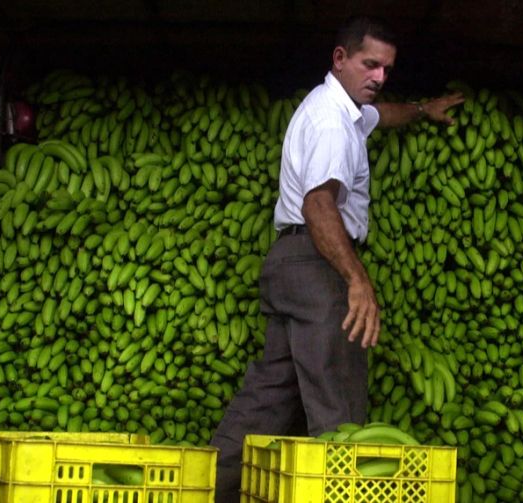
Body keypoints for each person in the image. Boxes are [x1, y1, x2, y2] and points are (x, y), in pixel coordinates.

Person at [209, 15, 464, 501]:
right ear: (340, 59)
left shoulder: (342, 108)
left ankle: (205, 490)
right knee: (338, 409)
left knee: (266, 402)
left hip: (289, 261)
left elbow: (378, 116)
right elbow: (319, 203)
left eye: (386, 69)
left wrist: (421, 109)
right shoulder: (329, 122)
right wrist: (356, 279)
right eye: (370, 65)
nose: (379, 77)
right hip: (315, 261)